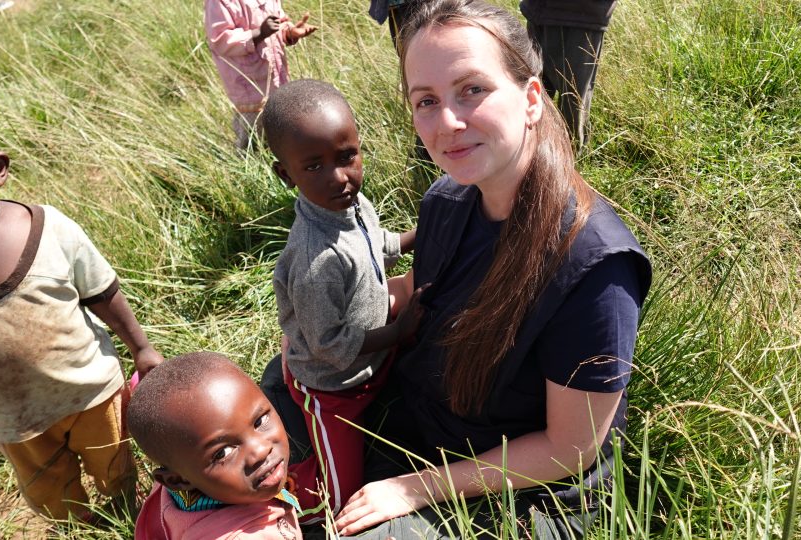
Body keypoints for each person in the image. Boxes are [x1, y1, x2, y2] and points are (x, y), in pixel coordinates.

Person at [279, 0, 646, 536]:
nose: (447, 122)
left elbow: (571, 448)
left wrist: (415, 488)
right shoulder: (448, 201)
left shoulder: (595, 268)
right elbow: (417, 291)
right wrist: (320, 319)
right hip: (426, 423)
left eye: (472, 89)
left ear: (531, 98)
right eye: (425, 100)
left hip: (523, 489)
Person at [0, 88, 164, 522]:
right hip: (13, 418)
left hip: (92, 393)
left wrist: (141, 348)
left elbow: (100, 290)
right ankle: (81, 529)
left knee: (116, 472)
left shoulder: (49, 228)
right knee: (53, 498)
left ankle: (129, 518)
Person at [261, 79, 425, 524]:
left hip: (371, 354)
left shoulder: (350, 203)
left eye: (346, 156)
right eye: (313, 166)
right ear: (285, 174)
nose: (338, 176)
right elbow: (328, 346)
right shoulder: (315, 259)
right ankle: (303, 515)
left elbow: (377, 242)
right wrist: (399, 330)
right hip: (331, 387)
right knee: (341, 490)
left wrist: (421, 233)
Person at [128, 352, 302, 539]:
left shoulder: (184, 465)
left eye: (260, 421)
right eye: (222, 453)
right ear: (177, 481)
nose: (260, 450)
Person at [205, 0, 317, 149]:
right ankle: (249, 166)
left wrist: (289, 32)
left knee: (282, 129)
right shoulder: (219, 2)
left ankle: (283, 163)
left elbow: (279, 23)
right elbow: (220, 40)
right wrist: (259, 33)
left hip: (277, 78)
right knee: (252, 139)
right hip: (249, 88)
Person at [520, 0, 618, 145]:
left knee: (573, 100)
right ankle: (531, 152)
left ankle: (568, 159)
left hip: (583, 16)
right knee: (533, 87)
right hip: (539, 10)